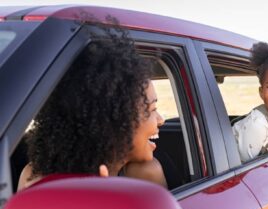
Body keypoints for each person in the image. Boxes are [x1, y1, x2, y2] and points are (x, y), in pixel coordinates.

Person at [17, 21, 167, 191]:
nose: (161, 120)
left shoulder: (145, 173)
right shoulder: (35, 177)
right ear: (113, 122)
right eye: (153, 109)